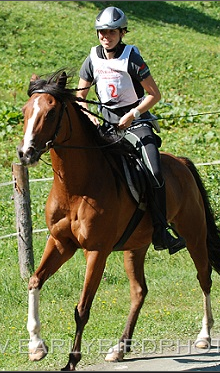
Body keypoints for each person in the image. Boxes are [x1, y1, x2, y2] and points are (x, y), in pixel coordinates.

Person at [76, 6, 186, 255]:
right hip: (106, 126)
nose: (106, 36)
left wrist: (131, 115)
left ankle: (161, 231)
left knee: (155, 171)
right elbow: (80, 95)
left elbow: (154, 95)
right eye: (102, 32)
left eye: (112, 32)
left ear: (122, 32)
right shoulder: (92, 58)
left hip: (136, 123)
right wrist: (88, 116)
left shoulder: (132, 57)